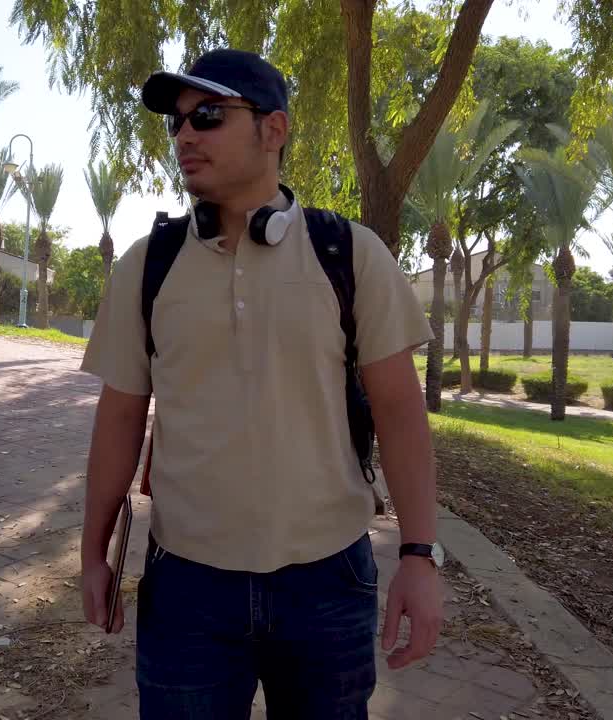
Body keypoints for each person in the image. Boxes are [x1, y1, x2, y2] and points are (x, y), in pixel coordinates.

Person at [79, 48, 443, 719]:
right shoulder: (146, 266)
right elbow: (120, 419)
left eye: (208, 116)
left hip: (329, 582)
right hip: (186, 588)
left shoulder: (351, 255)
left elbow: (399, 412)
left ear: (273, 130)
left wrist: (419, 556)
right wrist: (93, 554)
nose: (185, 136)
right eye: (177, 121)